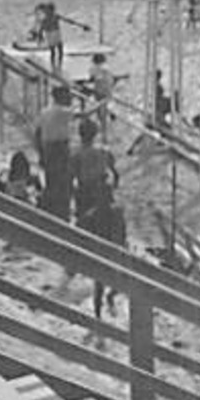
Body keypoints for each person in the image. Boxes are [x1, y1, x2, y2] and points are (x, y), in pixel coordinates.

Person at [72, 119, 124, 316]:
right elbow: (116, 174)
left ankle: (79, 257)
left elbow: (74, 176)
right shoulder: (105, 151)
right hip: (104, 191)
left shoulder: (77, 154)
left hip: (86, 193)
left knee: (83, 226)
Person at [33, 85, 75, 221]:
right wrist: (100, 105)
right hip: (60, 149)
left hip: (48, 149)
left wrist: (40, 152)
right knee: (63, 182)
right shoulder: (61, 111)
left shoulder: (44, 112)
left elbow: (37, 133)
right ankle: (62, 215)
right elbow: (83, 114)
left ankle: (53, 213)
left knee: (52, 181)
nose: (70, 98)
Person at [87, 52, 116, 138]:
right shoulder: (107, 67)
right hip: (108, 89)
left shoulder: (94, 68)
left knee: (99, 107)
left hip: (99, 91)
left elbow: (92, 78)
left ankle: (103, 126)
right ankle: (109, 113)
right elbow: (111, 79)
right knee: (105, 103)